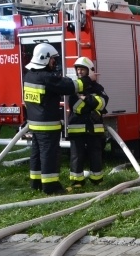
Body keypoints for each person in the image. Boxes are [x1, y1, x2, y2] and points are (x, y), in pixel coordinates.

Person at [23, 43, 95, 195]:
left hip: (34, 124)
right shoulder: (47, 78)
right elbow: (71, 86)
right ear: (44, 59)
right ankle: (51, 187)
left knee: (36, 154)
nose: (54, 63)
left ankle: (35, 183)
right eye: (52, 60)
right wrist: (88, 79)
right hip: (47, 126)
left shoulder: (29, 75)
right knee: (49, 156)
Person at [66, 57, 108, 188]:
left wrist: (87, 99)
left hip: (93, 128)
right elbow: (76, 107)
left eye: (82, 69)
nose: (79, 72)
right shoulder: (73, 87)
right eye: (77, 69)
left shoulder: (98, 87)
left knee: (96, 154)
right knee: (76, 155)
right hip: (77, 128)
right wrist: (93, 104)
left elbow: (103, 102)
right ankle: (77, 181)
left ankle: (97, 179)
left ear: (89, 70)